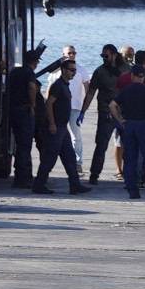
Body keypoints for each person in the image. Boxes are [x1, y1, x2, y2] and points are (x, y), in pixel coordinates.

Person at [32, 60, 91, 195]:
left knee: (69, 157)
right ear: (63, 70)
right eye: (71, 70)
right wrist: (52, 123)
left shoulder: (65, 85)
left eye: (75, 70)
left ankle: (75, 185)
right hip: (56, 127)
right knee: (50, 157)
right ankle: (39, 184)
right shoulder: (58, 85)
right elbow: (49, 104)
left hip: (63, 128)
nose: (74, 73)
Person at [109, 64, 145, 199]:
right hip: (144, 125)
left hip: (129, 125)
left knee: (130, 159)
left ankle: (132, 191)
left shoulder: (126, 90)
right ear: (144, 77)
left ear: (132, 76)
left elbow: (112, 105)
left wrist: (120, 119)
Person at [80, 43, 124, 185]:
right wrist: (83, 111)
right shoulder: (100, 72)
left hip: (123, 113)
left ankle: (131, 175)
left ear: (114, 55)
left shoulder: (126, 69)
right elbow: (91, 92)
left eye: (106, 56)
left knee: (129, 145)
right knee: (101, 145)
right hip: (105, 112)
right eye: (102, 56)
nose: (104, 58)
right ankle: (94, 174)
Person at [44, 45, 89, 168]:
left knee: (76, 136)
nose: (72, 55)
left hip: (75, 107)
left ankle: (78, 162)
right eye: (69, 53)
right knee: (58, 137)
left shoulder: (81, 69)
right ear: (63, 54)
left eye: (74, 52)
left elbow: (87, 89)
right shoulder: (56, 73)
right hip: (59, 110)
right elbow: (49, 90)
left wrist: (84, 108)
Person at [6, 48, 43, 188]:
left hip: (12, 110)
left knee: (18, 143)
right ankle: (21, 177)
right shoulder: (29, 73)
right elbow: (32, 87)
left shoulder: (14, 71)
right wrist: (33, 106)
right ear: (34, 62)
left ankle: (20, 175)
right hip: (24, 110)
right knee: (24, 145)